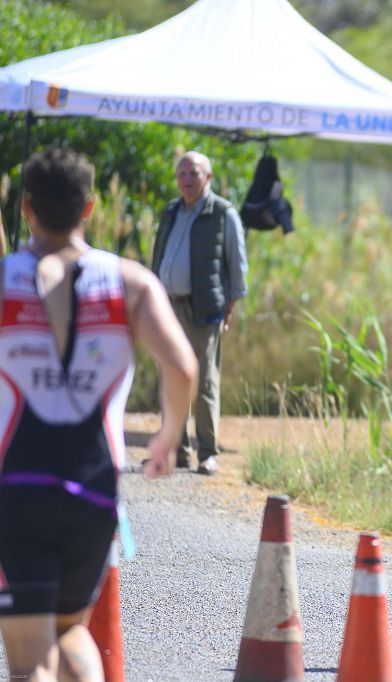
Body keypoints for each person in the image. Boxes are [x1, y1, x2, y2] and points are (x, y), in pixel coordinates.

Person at [0, 146, 198, 681]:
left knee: (29, 663)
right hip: (93, 486)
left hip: (17, 482)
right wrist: (166, 439)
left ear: (26, 210)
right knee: (69, 631)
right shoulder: (130, 283)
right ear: (89, 208)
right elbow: (181, 368)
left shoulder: (5, 278)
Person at [151, 151, 248, 475]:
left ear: (208, 176)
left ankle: (207, 453)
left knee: (205, 382)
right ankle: (176, 452)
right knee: (171, 378)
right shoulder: (170, 211)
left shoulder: (222, 212)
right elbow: (160, 254)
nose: (187, 180)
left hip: (204, 309)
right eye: (181, 174)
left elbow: (237, 266)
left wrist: (229, 306)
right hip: (168, 308)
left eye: (193, 173)